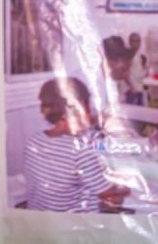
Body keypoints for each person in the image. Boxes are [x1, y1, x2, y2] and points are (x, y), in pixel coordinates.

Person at [23, 77, 128, 213]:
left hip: (41, 218)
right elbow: (111, 197)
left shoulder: (33, 141)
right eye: (86, 110)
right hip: (75, 223)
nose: (89, 115)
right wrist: (128, 185)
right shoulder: (81, 151)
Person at [102, 34, 145, 106]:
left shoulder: (137, 55)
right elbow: (124, 73)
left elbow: (125, 73)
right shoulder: (127, 56)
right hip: (128, 91)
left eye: (138, 41)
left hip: (136, 88)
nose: (136, 43)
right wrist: (132, 87)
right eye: (133, 41)